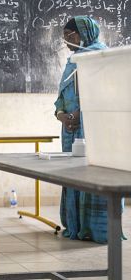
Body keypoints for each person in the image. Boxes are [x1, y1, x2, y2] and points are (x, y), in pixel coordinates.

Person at [55, 16, 116, 243]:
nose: (68, 42)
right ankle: (76, 225)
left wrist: (78, 115)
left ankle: (95, 229)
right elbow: (61, 97)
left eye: (71, 37)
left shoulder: (102, 58)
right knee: (74, 176)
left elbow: (106, 95)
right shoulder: (73, 61)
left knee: (94, 176)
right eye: (65, 38)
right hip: (71, 130)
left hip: (93, 130)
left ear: (85, 33)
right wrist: (62, 115)